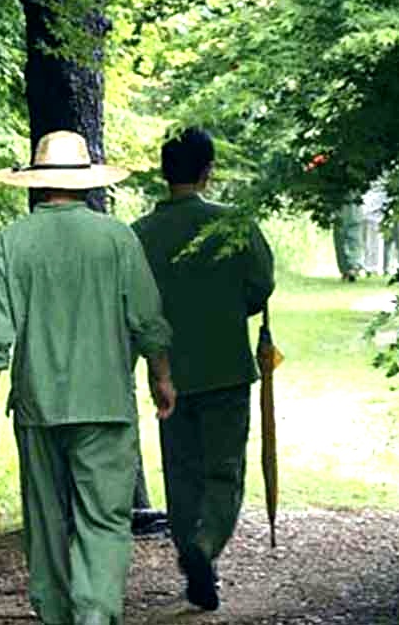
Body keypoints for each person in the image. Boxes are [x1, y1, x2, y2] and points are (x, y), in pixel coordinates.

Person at [0, 130, 177, 625]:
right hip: (106, 403)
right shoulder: (117, 238)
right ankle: (94, 616)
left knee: (45, 523)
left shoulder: (9, 242)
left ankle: (56, 615)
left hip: (38, 406)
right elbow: (147, 319)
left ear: (37, 183)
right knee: (103, 521)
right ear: (87, 182)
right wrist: (162, 377)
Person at [131, 128, 275, 612]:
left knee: (182, 471)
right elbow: (261, 286)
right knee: (225, 469)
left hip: (167, 370)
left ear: (163, 171)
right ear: (207, 170)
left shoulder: (139, 235)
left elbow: (131, 305)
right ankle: (206, 545)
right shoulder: (234, 225)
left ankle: (193, 552)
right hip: (226, 368)